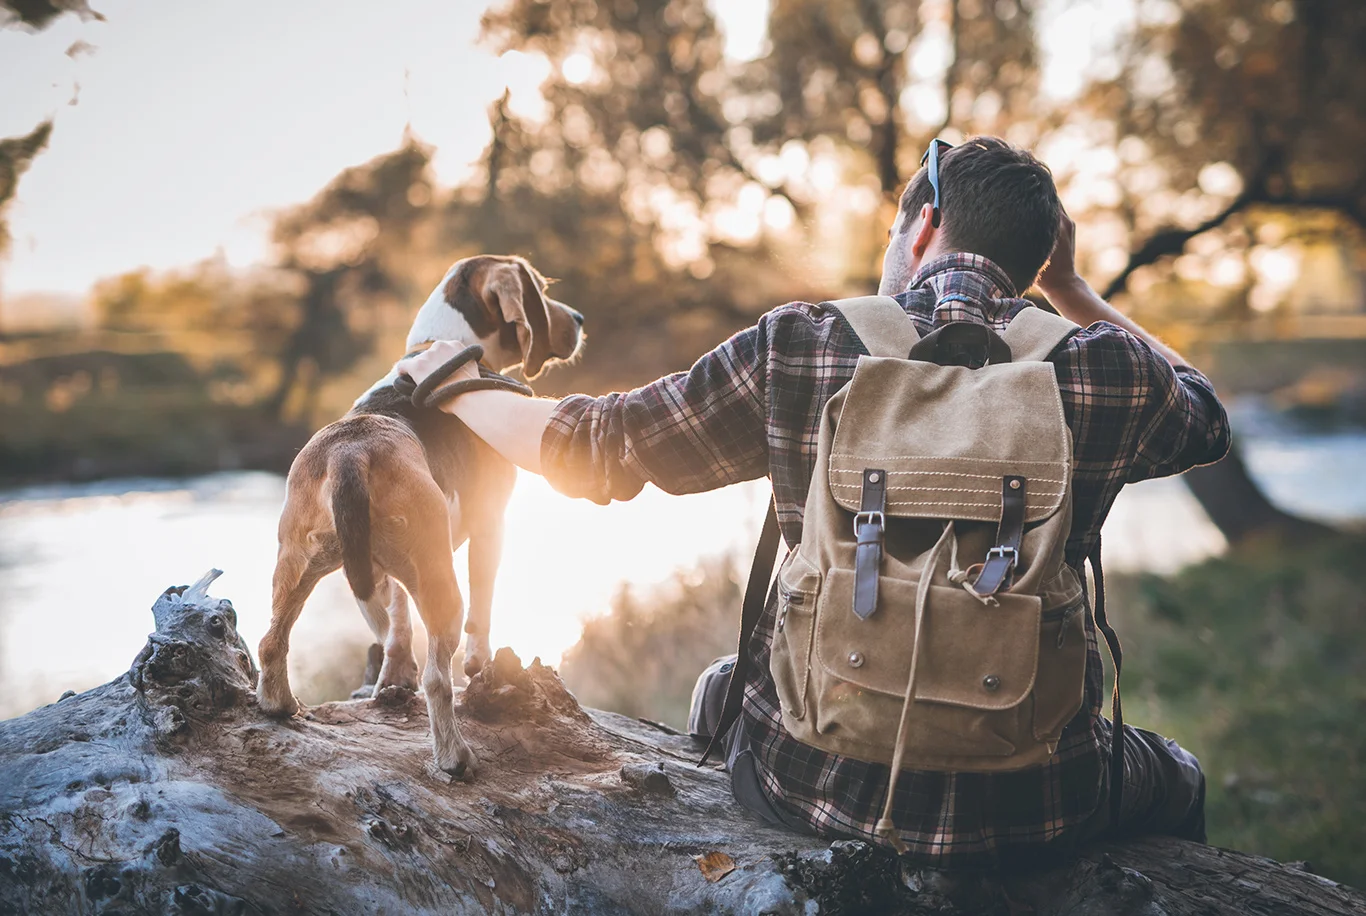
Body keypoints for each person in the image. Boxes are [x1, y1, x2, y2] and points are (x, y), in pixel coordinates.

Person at [397, 136, 1230, 867]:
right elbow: (1207, 415)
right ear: (1034, 259)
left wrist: (450, 384)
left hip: (810, 783)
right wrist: (1074, 290)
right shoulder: (1105, 372)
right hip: (1044, 802)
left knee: (728, 688)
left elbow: (596, 446)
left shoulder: (802, 344)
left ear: (926, 225)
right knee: (1177, 774)